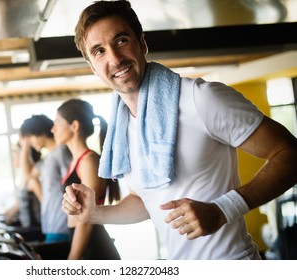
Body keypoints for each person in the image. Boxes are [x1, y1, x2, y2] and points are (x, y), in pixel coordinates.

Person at [61, 0, 297, 260]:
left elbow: (290, 155)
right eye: (99, 51)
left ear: (142, 43)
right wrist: (93, 213)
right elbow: (145, 200)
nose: (115, 59)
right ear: (92, 67)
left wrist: (222, 210)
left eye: (121, 41)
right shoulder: (123, 126)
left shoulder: (201, 98)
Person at [52, 98, 121, 260]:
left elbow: (86, 219)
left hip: (92, 242)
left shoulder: (89, 161)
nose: (52, 129)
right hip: (78, 237)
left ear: (74, 126)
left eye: (57, 122)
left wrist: (72, 259)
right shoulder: (75, 161)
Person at [19, 114, 72, 250]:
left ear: (40, 132)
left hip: (62, 224)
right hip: (52, 225)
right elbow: (28, 176)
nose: (29, 142)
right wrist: (24, 147)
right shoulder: (48, 158)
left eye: (30, 137)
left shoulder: (62, 152)